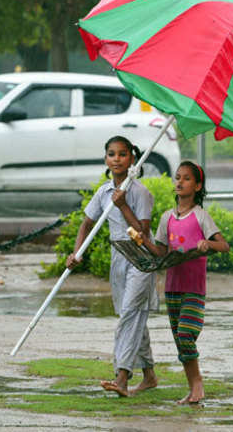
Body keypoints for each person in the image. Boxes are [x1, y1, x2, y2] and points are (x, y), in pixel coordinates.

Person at [66, 136, 159, 397]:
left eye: (122, 154)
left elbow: (142, 232)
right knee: (131, 315)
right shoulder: (104, 192)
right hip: (118, 257)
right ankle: (149, 375)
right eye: (111, 154)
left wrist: (123, 205)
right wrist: (76, 254)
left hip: (141, 259)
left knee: (130, 314)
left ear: (132, 158)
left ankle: (122, 376)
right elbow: (87, 224)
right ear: (106, 159)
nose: (116, 159)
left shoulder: (141, 193)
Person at [139, 160, 229, 405]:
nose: (179, 181)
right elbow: (160, 252)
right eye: (177, 177)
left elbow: (224, 245)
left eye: (186, 178)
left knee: (185, 333)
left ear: (198, 186)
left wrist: (208, 244)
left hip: (194, 288)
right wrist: (142, 241)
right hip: (172, 288)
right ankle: (193, 390)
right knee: (181, 342)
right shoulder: (167, 217)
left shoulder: (201, 216)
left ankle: (197, 383)